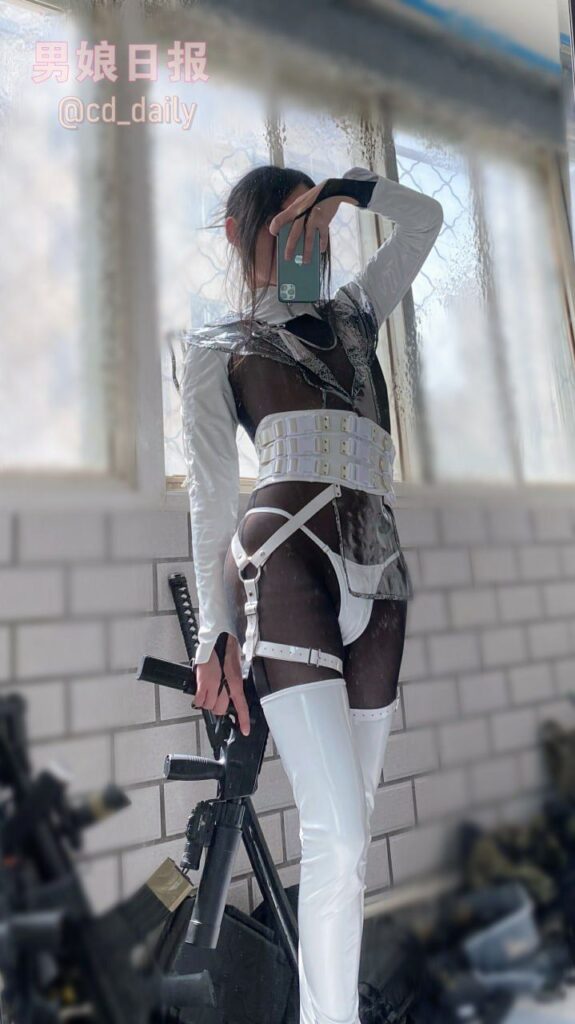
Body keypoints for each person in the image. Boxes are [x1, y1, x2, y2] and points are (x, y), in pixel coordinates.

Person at [179, 161, 443, 1024]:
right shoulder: (218, 344)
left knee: (349, 840)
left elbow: (425, 220)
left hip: (382, 571)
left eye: (316, 233)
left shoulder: (356, 313)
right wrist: (213, 634)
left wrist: (348, 192)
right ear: (238, 233)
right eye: (285, 230)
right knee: (338, 832)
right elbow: (210, 495)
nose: (308, 248)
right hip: (287, 563)